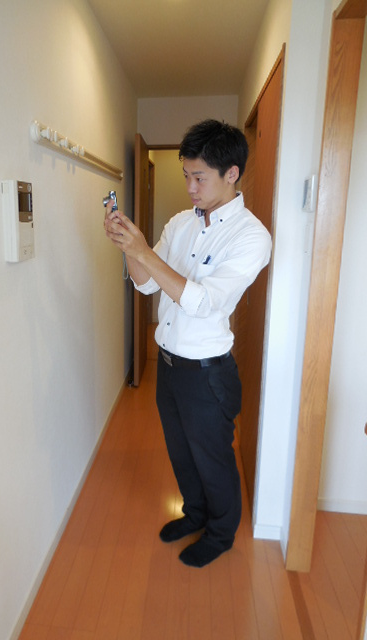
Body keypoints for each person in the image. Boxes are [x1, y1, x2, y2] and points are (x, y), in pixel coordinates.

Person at [104, 119, 272, 567]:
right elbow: (145, 284)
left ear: (231, 173)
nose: (190, 188)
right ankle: (195, 514)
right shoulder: (181, 223)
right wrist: (130, 248)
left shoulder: (252, 237)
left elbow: (203, 302)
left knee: (212, 459)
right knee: (181, 454)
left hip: (207, 374)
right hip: (169, 365)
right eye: (186, 176)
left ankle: (221, 534)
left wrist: (144, 251)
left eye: (199, 177)